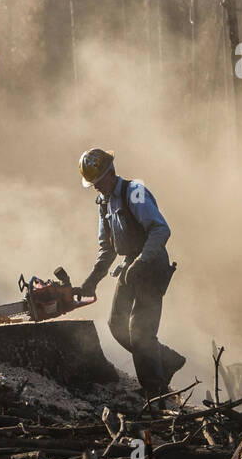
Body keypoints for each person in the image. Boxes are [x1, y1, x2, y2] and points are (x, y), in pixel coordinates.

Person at [75, 148, 185, 408]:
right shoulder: (104, 203)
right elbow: (107, 249)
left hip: (151, 264)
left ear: (111, 172)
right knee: (116, 324)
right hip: (130, 268)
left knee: (141, 332)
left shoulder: (134, 191)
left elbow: (160, 229)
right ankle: (165, 360)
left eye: (99, 181)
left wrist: (141, 261)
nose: (96, 187)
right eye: (93, 184)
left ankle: (155, 393)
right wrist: (91, 281)